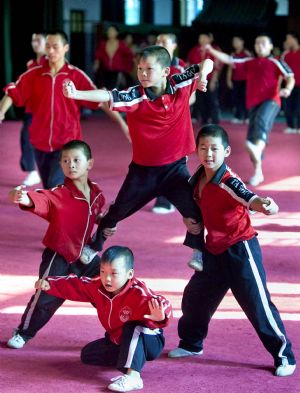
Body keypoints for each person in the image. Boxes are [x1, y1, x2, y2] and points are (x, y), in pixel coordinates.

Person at [63, 45, 213, 271]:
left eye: (148, 69)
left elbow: (207, 63)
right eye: (140, 69)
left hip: (175, 170)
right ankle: (94, 245)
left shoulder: (181, 81)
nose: (142, 74)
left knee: (195, 212)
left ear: (165, 71)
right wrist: (77, 94)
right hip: (143, 173)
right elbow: (107, 94)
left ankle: (199, 251)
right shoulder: (135, 95)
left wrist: (202, 75)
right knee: (117, 212)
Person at [168, 124, 296, 377]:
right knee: (195, 298)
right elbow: (195, 208)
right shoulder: (196, 180)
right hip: (213, 250)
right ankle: (191, 344)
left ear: (226, 151)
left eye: (215, 149)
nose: (209, 154)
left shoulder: (228, 180)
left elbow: (249, 197)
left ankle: (284, 355)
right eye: (203, 148)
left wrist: (265, 206)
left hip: (240, 250)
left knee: (258, 306)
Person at [6, 140, 106, 349]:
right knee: (46, 297)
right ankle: (23, 333)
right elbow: (39, 200)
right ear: (60, 165)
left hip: (85, 256)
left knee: (107, 288)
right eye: (65, 161)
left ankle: (118, 331)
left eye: (76, 160)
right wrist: (20, 196)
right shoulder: (59, 194)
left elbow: (94, 214)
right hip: (58, 255)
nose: (71, 165)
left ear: (89, 163)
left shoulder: (97, 194)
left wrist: (102, 220)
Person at [0, 30, 128, 189]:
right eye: (48, 46)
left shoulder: (76, 76)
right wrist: (1, 112)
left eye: (55, 46)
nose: (51, 51)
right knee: (50, 188)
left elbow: (101, 101)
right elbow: (13, 92)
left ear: (66, 48)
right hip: (40, 143)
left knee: (55, 186)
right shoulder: (33, 75)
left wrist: (124, 126)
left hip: (67, 143)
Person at [35, 245, 172, 392]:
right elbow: (77, 285)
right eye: (102, 272)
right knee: (88, 355)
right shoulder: (97, 286)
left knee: (134, 326)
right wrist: (50, 284)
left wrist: (161, 315)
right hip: (117, 339)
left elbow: (160, 301)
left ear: (130, 274)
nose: (107, 278)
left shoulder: (138, 293)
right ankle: (129, 358)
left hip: (149, 341)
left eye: (114, 274)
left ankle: (133, 377)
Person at [206, 35, 295, 186]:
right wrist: (210, 50)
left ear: (270, 46)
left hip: (272, 100)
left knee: (261, 122)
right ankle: (258, 171)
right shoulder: (249, 61)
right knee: (253, 138)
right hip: (253, 103)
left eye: (263, 43)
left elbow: (290, 76)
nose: (260, 45)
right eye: (257, 43)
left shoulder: (276, 61)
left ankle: (255, 149)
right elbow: (228, 59)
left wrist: (287, 88)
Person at [151, 32, 187, 214]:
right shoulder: (151, 66)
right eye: (157, 40)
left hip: (175, 121)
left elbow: (191, 96)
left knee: (170, 160)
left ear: (174, 45)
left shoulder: (181, 69)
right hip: (155, 121)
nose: (159, 43)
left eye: (163, 41)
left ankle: (165, 199)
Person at [20, 32, 47, 186]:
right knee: (26, 137)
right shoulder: (31, 64)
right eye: (32, 40)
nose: (34, 43)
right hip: (32, 109)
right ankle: (32, 171)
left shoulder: (51, 62)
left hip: (48, 109)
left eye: (38, 40)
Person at [186, 32, 223, 125]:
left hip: (210, 79)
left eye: (204, 37)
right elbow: (189, 64)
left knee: (212, 99)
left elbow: (217, 67)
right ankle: (204, 120)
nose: (201, 40)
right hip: (197, 79)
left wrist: (214, 81)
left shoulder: (215, 50)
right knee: (200, 100)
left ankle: (215, 121)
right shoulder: (194, 50)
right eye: (200, 38)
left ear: (210, 38)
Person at [93, 24, 134, 90]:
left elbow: (129, 55)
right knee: (105, 88)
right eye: (109, 31)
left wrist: (127, 67)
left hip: (118, 71)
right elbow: (98, 56)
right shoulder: (103, 44)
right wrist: (96, 64)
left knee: (114, 88)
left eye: (112, 31)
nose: (110, 32)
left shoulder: (121, 44)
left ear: (116, 33)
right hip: (106, 71)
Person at [226, 36, 251, 124]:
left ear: (242, 42)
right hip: (236, 80)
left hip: (245, 80)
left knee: (245, 98)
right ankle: (238, 116)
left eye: (237, 41)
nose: (235, 43)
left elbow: (251, 68)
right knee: (236, 98)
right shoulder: (233, 55)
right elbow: (230, 68)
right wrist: (228, 80)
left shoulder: (247, 54)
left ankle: (247, 116)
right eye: (234, 41)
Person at [281, 32, 300, 134]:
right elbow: (281, 70)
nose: (287, 41)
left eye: (289, 39)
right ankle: (291, 126)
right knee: (288, 107)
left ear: (295, 39)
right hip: (289, 86)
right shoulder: (285, 54)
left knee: (299, 107)